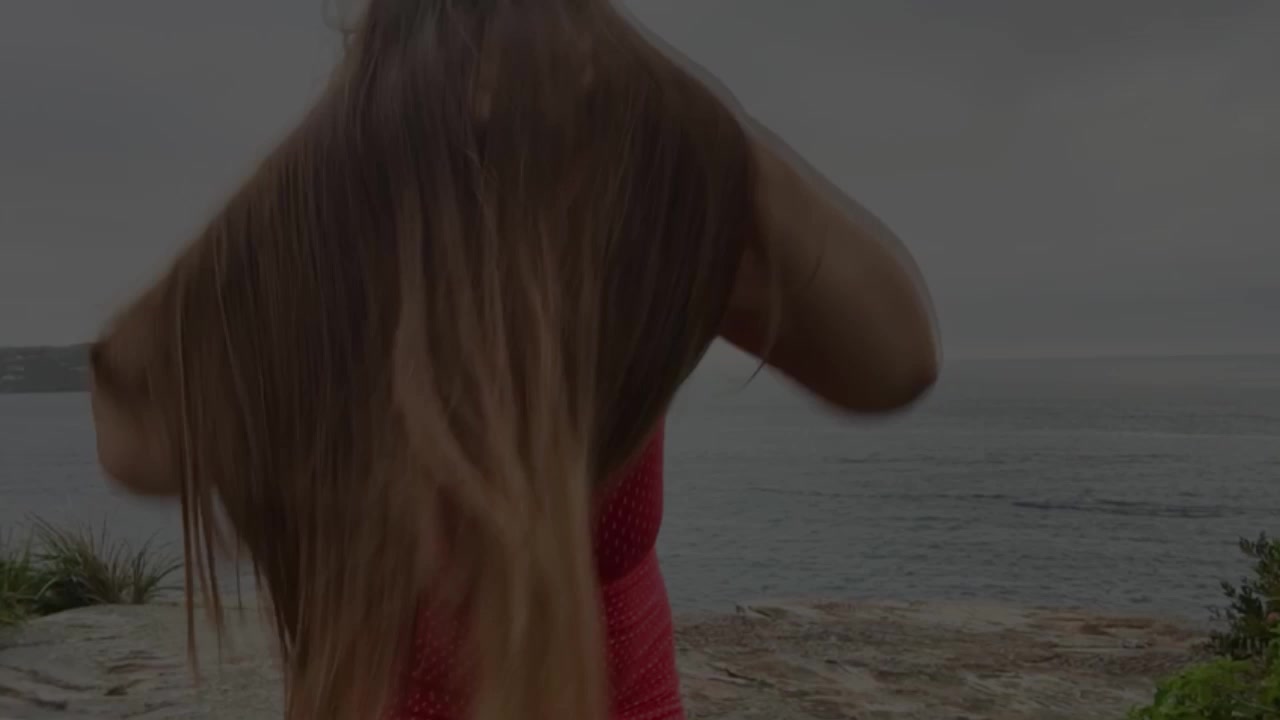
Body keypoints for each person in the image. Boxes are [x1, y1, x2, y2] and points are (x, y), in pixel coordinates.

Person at [88, 2, 937, 719]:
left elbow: (892, 358)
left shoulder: (622, 229)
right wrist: (337, 154)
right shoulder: (324, 261)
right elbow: (136, 437)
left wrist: (668, 106)